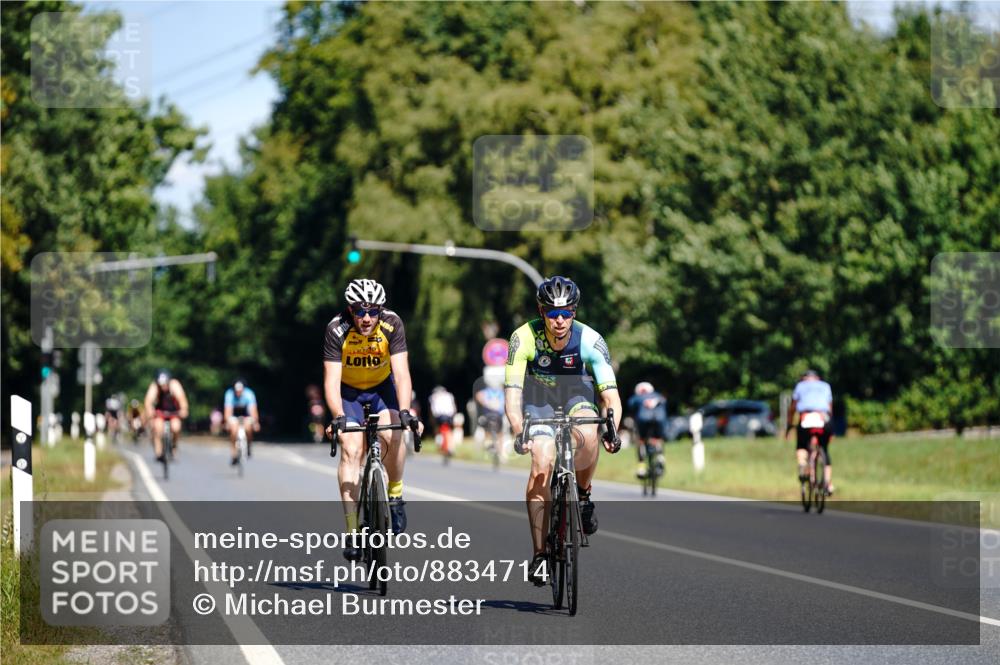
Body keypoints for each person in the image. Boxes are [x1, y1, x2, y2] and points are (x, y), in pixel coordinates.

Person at [504, 276, 622, 585]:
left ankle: (583, 495)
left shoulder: (590, 339)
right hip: (538, 399)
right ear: (541, 311)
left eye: (566, 313)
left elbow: (611, 397)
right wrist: (519, 430)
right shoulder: (523, 337)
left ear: (574, 312)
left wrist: (612, 429)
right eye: (552, 313)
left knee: (590, 430)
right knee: (541, 461)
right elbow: (513, 395)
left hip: (576, 394)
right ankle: (540, 554)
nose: (559, 320)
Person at [323, 278, 422, 561]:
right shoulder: (336, 329)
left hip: (381, 389)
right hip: (349, 394)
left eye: (373, 311)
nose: (366, 318)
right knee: (352, 449)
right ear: (350, 310)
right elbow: (331, 380)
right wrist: (338, 416)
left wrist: (405, 411)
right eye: (359, 311)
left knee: (395, 432)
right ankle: (352, 529)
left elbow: (401, 373)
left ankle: (395, 495)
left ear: (381, 310)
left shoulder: (392, 323)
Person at [785, 369, 835, 495]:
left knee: (802, 445)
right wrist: (831, 429)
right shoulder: (825, 386)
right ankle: (828, 483)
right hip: (823, 418)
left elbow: (792, 408)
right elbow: (830, 409)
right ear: (817, 378)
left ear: (804, 378)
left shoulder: (800, 386)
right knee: (824, 448)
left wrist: (789, 426)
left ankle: (803, 464)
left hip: (805, 418)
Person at [143, 370, 189, 462]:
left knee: (176, 427)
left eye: (165, 384)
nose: (163, 386)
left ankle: (174, 445)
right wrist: (149, 411)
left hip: (174, 412)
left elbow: (182, 399)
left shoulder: (175, 385)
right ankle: (158, 451)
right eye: (161, 384)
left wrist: (184, 409)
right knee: (158, 428)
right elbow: (148, 401)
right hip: (160, 412)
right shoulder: (154, 386)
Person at [627, 382, 668, 479]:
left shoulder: (637, 397)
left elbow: (630, 405)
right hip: (659, 419)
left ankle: (641, 467)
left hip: (643, 419)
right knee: (658, 438)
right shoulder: (658, 395)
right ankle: (660, 457)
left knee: (641, 440)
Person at [224, 378, 259, 465]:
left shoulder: (249, 394)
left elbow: (253, 410)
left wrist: (255, 422)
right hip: (234, 416)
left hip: (246, 415)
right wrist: (227, 422)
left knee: (248, 428)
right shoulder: (229, 394)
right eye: (236, 391)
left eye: (240, 391)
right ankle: (234, 454)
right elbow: (228, 411)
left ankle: (249, 445)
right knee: (233, 430)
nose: (238, 393)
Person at [475, 382, 506, 453]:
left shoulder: (500, 392)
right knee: (490, 432)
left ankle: (498, 450)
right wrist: (487, 404)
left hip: (497, 415)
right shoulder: (490, 390)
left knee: (499, 433)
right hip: (491, 415)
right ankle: (491, 449)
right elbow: (478, 395)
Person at [429, 385, 458, 458]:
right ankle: (450, 447)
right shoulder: (449, 395)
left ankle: (439, 442)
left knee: (437, 429)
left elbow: (432, 409)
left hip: (439, 416)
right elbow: (454, 408)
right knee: (449, 431)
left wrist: (432, 419)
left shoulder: (433, 396)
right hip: (449, 416)